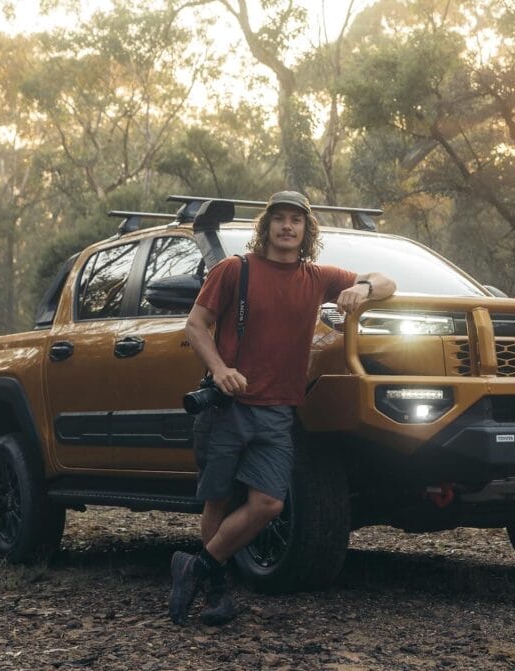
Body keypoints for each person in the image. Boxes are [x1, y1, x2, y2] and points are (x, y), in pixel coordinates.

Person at [169, 190, 396, 626]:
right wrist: (218, 370)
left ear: (307, 231)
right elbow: (196, 324)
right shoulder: (235, 270)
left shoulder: (318, 277)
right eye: (280, 219)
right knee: (217, 500)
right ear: (267, 226)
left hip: (278, 413)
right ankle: (216, 592)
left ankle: (196, 566)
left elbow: (387, 284)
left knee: (269, 503)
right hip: (228, 406)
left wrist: (363, 287)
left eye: (297, 220)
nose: (288, 227)